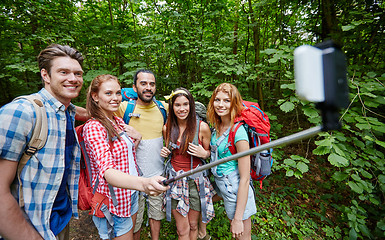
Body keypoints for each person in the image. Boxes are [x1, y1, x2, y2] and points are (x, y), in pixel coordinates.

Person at [0, 44, 84, 239]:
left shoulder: (68, 113)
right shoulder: (21, 113)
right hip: (26, 227)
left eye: (78, 74)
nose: (73, 78)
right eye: (63, 72)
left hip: (58, 220)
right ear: (45, 75)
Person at [82, 74, 168, 240]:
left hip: (130, 195)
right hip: (114, 203)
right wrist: (144, 184)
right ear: (95, 96)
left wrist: (138, 136)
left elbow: (126, 151)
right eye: (108, 93)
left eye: (117, 93)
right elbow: (106, 171)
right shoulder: (94, 127)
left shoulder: (116, 120)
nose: (115, 98)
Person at [114, 69, 167, 240]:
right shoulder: (123, 108)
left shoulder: (163, 108)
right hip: (131, 177)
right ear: (134, 87)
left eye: (151, 84)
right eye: (143, 83)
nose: (148, 87)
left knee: (156, 215)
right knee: (134, 221)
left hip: (158, 174)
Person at [160, 88, 215, 240]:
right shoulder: (167, 127)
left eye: (185, 104)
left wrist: (205, 154)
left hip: (196, 181)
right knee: (182, 230)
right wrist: (165, 152)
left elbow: (211, 154)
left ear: (191, 105)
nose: (182, 109)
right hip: (175, 181)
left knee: (193, 225)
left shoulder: (201, 127)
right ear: (172, 107)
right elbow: (171, 150)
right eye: (177, 105)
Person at [206, 83, 257, 240]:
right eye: (217, 100)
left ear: (234, 103)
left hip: (237, 193)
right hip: (223, 187)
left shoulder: (239, 133)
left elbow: (245, 178)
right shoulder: (218, 127)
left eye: (226, 100)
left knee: (242, 238)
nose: (221, 105)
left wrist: (237, 219)